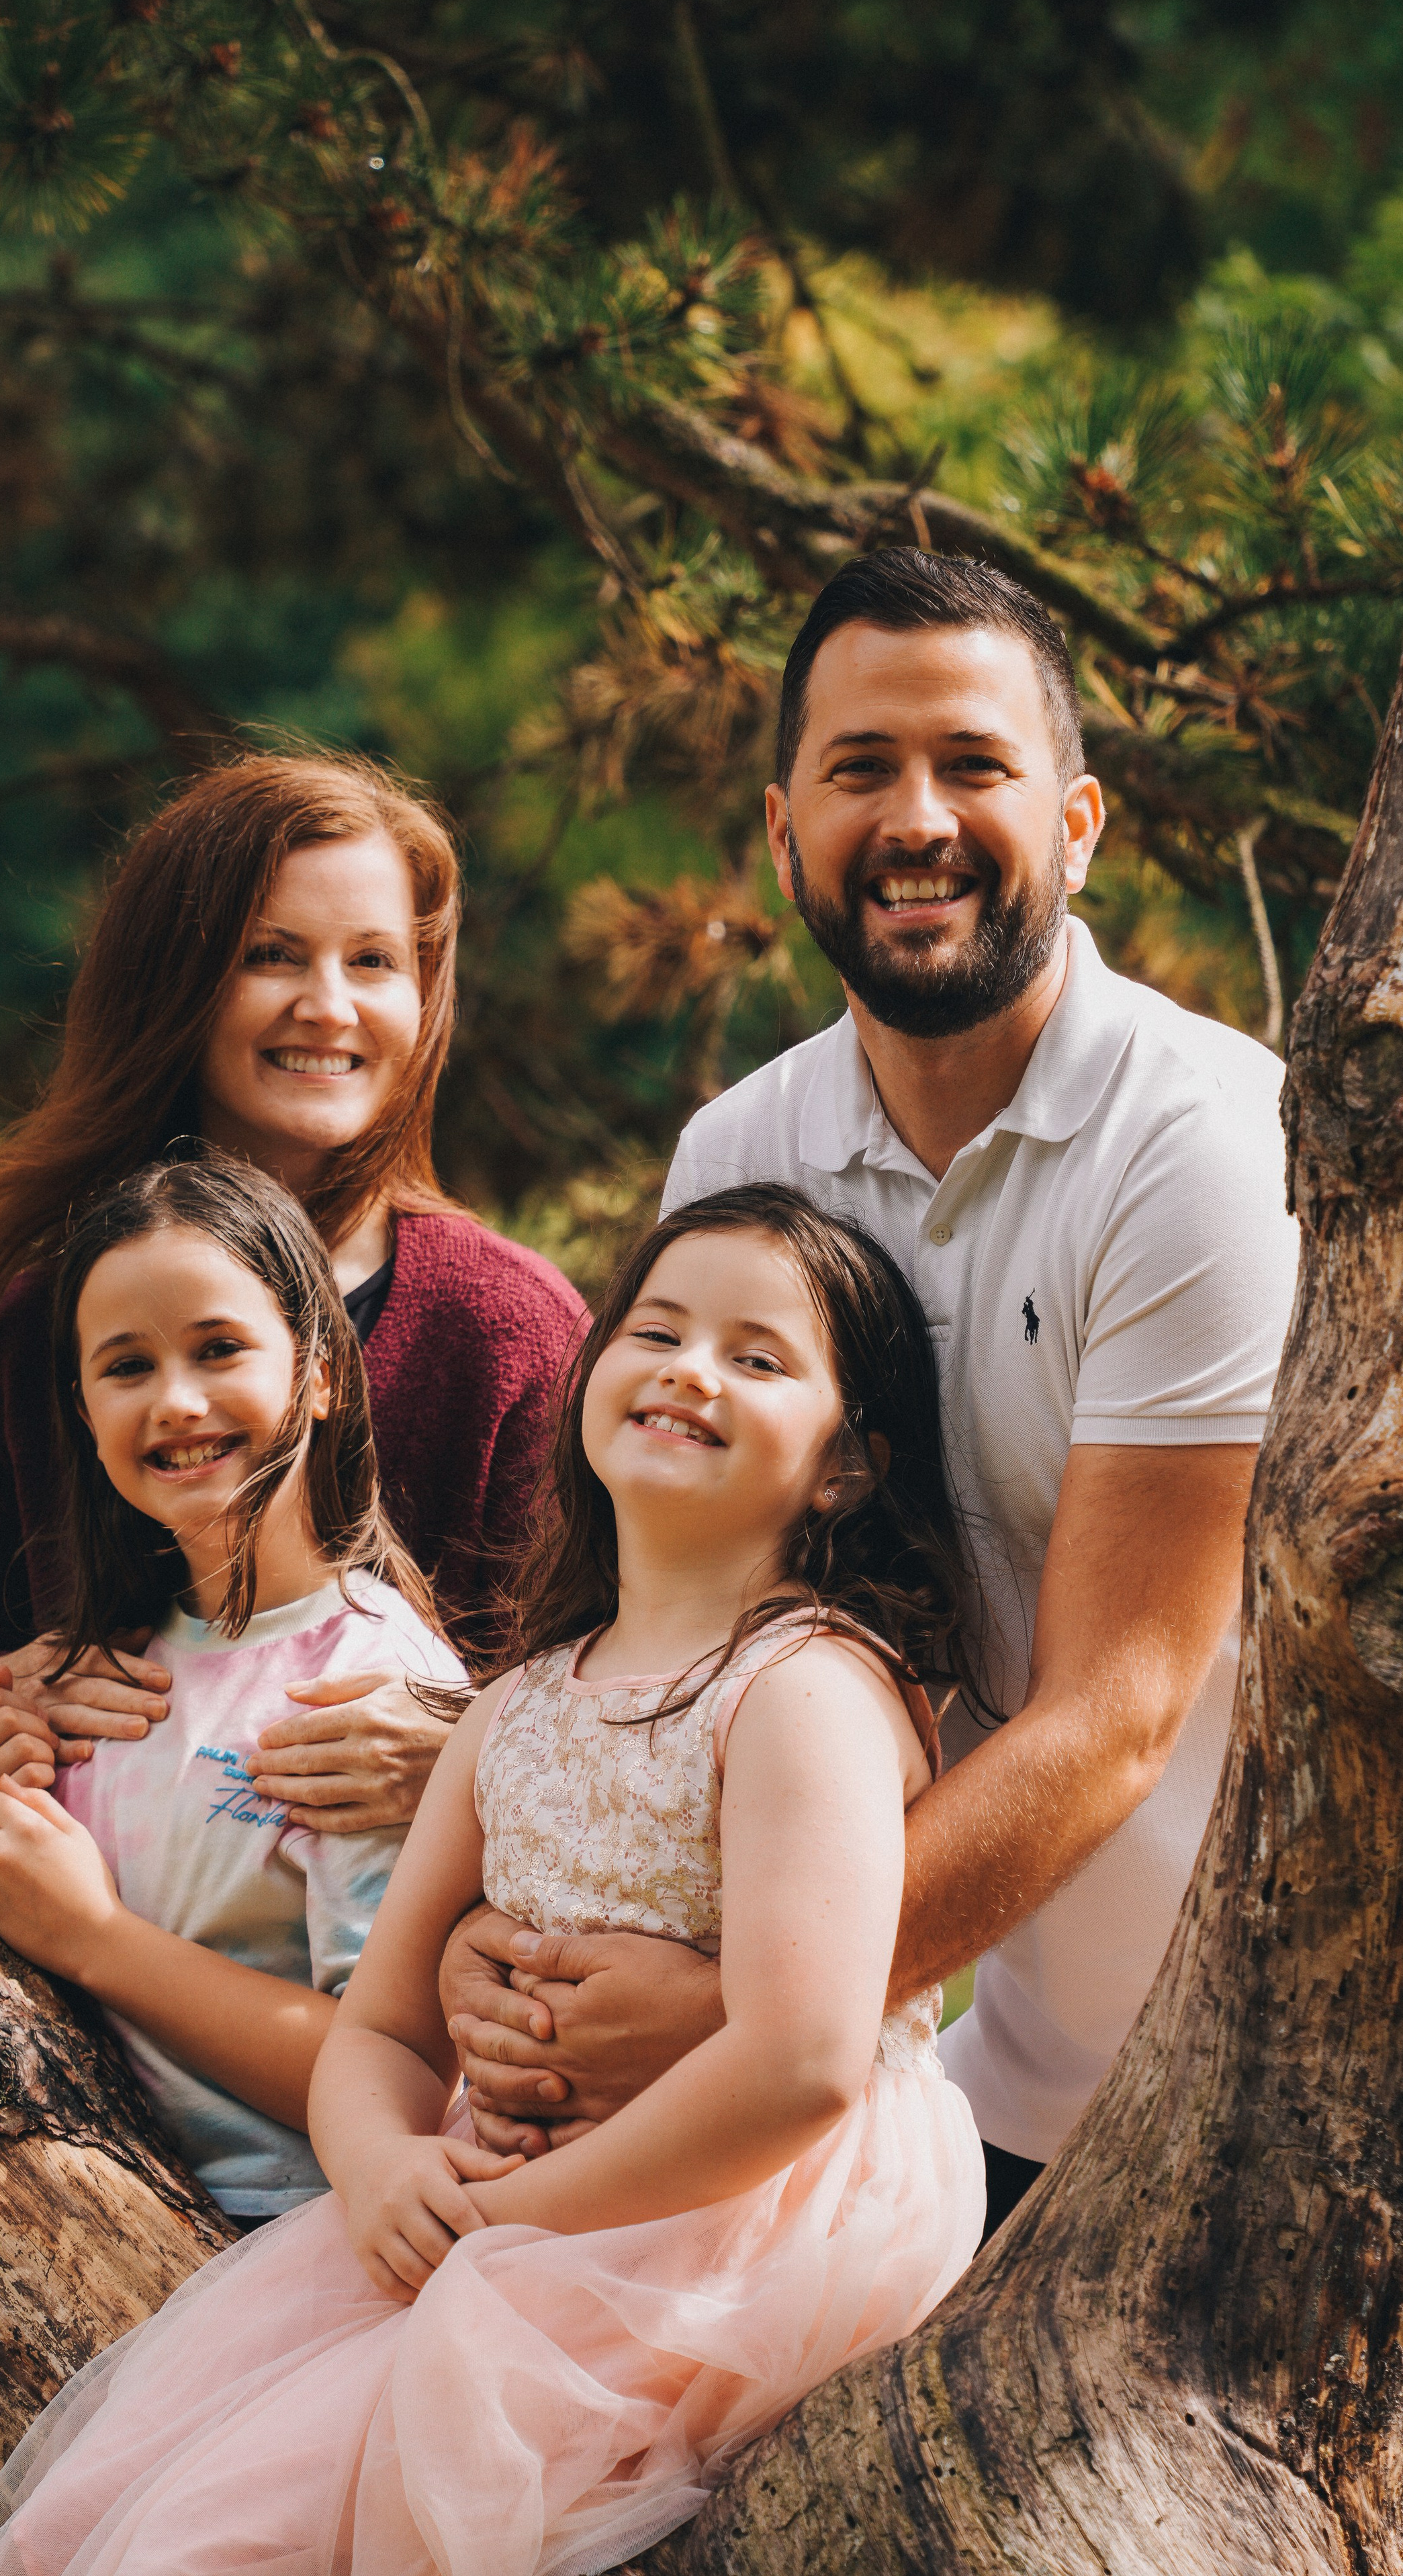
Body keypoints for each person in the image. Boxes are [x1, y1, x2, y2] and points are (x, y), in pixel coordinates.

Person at [441, 549, 1300, 2242]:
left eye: (972, 764)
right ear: (783, 835)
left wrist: (737, 2003)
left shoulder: (1200, 1145)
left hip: (1266, 2085)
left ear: (1074, 824)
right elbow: (673, 1642)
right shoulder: (740, 1154)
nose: (916, 818)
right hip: (966, 2091)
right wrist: (496, 1930)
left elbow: (1118, 1704)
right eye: (859, 769)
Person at [0, 1184, 984, 2576]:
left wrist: (505, 2222)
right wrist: (384, 2166)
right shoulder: (514, 1705)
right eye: (657, 1331)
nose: (691, 1369)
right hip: (497, 2201)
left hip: (726, 2232)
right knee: (183, 2515)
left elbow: (800, 2063)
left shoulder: (802, 1688)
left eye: (755, 1356)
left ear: (845, 1466)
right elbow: (382, 2026)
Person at [0, 750, 583, 1842]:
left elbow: (617, 1689)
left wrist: (473, 1753)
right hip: (73, 1921)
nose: (329, 1006)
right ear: (172, 979)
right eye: (273, 955)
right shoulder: (43, 1316)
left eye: (374, 960)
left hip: (419, 1939)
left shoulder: (508, 1329)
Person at [0, 1154, 467, 2223]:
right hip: (84, 2211)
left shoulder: (366, 1691)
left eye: (219, 1348)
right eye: (126, 1366)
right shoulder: (103, 1677)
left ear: (320, 1371)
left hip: (292, 2230)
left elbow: (400, 2081)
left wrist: (97, 1937)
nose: (178, 1401)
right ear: (84, 1413)